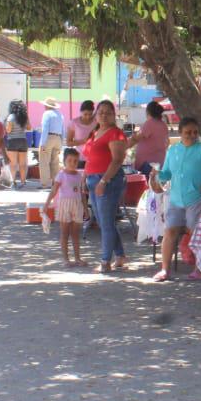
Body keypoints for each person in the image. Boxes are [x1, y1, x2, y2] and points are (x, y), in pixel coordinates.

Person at [150, 116, 201, 282]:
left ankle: (199, 268)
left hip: (196, 198)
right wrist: (158, 175)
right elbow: (167, 173)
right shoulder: (173, 150)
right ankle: (164, 270)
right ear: (180, 132)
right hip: (176, 198)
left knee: (195, 233)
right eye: (187, 132)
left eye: (195, 132)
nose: (192, 135)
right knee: (169, 231)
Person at [83, 100, 130, 273]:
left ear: (113, 115)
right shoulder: (95, 132)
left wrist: (103, 181)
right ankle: (120, 255)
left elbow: (117, 160)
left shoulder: (115, 133)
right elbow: (89, 157)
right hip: (92, 179)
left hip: (107, 180)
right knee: (105, 221)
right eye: (101, 111)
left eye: (108, 112)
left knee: (106, 223)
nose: (103, 115)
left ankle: (105, 261)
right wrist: (85, 177)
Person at [45, 148, 88, 267]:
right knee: (64, 233)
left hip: (77, 205)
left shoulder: (79, 175)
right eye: (69, 160)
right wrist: (46, 204)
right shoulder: (61, 175)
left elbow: (82, 193)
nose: (73, 163)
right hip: (64, 205)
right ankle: (65, 259)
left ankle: (77, 258)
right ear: (64, 161)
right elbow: (54, 190)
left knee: (75, 234)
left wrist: (86, 209)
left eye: (75, 161)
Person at [129, 100, 172, 175]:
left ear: (147, 112)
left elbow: (135, 139)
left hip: (148, 164)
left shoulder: (149, 124)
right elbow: (167, 143)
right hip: (160, 162)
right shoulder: (163, 125)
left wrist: (122, 147)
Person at [36, 97, 66, 188]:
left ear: (47, 106)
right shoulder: (60, 115)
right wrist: (61, 143)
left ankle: (44, 183)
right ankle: (55, 182)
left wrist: (42, 144)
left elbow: (45, 129)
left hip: (49, 138)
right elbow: (63, 130)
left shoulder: (46, 114)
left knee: (44, 161)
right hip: (58, 139)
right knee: (55, 162)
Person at [4, 99, 31, 189]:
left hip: (13, 141)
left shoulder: (11, 117)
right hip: (23, 140)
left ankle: (14, 182)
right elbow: (29, 127)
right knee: (23, 164)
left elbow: (8, 130)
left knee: (13, 164)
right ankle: (23, 182)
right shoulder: (24, 116)